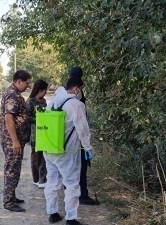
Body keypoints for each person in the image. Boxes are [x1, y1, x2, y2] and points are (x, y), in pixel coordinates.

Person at [44, 77, 94, 225]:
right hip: (67, 151)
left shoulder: (53, 101)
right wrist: (88, 147)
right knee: (71, 183)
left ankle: (52, 213)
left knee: (52, 181)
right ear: (77, 89)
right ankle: (71, 219)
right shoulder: (76, 104)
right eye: (80, 89)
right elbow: (82, 129)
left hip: (49, 148)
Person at [0, 70, 31, 212]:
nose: (28, 86)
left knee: (14, 169)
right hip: (12, 141)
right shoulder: (12, 94)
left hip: (15, 139)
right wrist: (15, 140)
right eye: (26, 83)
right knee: (12, 169)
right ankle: (9, 202)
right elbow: (8, 118)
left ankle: (12, 195)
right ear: (19, 81)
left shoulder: (15, 94)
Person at [68, 66, 99, 206]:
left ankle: (72, 192)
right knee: (81, 167)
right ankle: (83, 195)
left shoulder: (63, 92)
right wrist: (87, 146)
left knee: (70, 168)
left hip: (66, 138)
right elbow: (81, 124)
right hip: (76, 138)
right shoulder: (77, 94)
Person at [26, 79, 49, 189]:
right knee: (36, 158)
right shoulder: (30, 102)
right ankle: (36, 179)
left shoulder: (44, 101)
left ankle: (43, 178)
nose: (46, 92)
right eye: (45, 90)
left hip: (44, 133)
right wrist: (38, 118)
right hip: (34, 134)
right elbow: (26, 118)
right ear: (40, 90)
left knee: (44, 157)